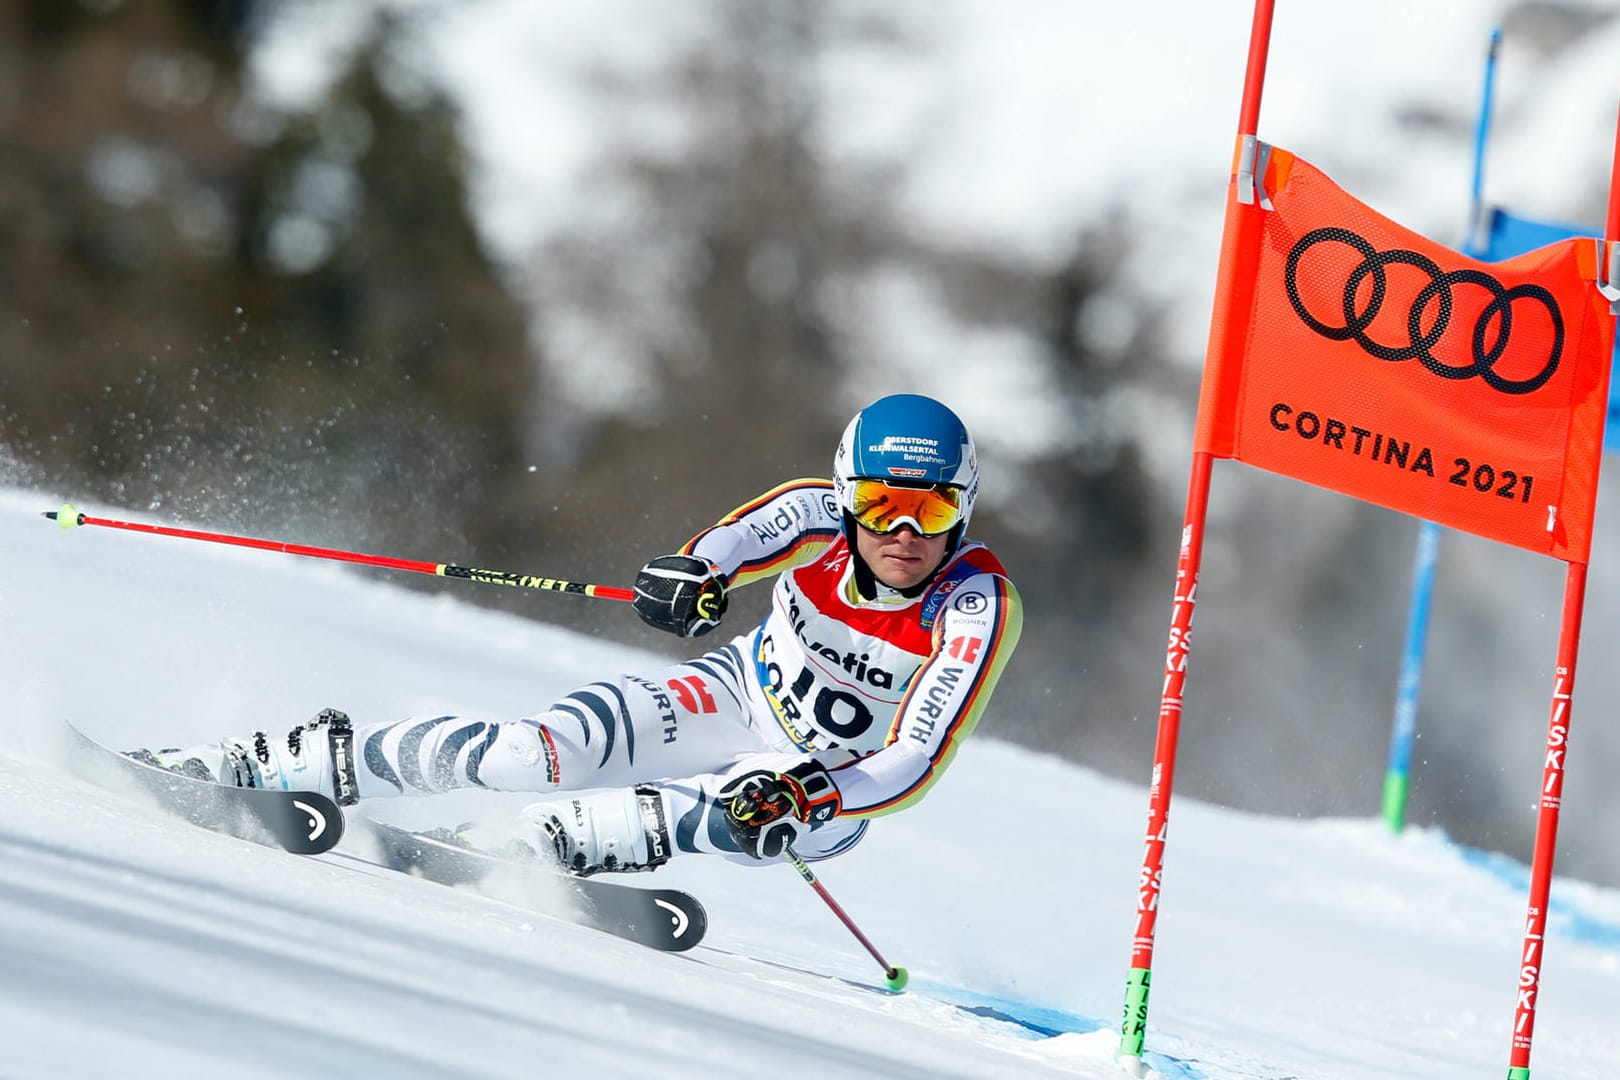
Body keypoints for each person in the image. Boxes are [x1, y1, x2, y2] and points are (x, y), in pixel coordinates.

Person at [143, 394, 1023, 874]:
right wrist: (694, 576)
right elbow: (733, 545)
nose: (903, 531)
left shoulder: (974, 606)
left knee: (743, 799)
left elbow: (915, 758)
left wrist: (816, 800)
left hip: (828, 790)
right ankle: (271, 762)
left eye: (932, 507)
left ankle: (528, 851)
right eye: (880, 504)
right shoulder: (814, 515)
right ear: (847, 496)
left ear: (964, 506)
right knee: (535, 753)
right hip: (734, 693)